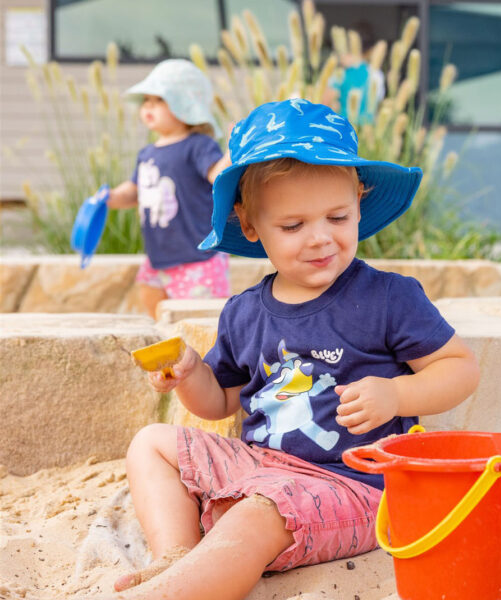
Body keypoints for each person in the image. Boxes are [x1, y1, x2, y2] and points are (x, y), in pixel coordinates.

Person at [101, 99, 480, 600]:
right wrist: (192, 374)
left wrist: (397, 395)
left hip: (352, 485)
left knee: (259, 512)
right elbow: (221, 403)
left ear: (359, 205)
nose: (320, 238)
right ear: (252, 225)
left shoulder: (388, 297)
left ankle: (180, 590)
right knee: (150, 442)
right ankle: (177, 553)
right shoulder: (244, 311)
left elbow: (461, 369)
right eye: (293, 226)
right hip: (261, 466)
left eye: (338, 217)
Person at [104, 59, 231, 318]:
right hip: (160, 256)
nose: (149, 106)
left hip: (197, 257)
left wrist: (233, 151)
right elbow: (136, 190)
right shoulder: (147, 153)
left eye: (159, 100)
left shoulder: (198, 145)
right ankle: (165, 340)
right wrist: (112, 197)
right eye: (146, 100)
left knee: (200, 317)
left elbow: (217, 175)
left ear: (185, 105)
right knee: (151, 297)